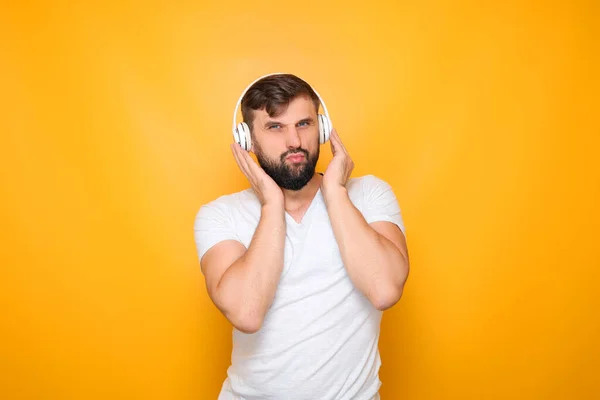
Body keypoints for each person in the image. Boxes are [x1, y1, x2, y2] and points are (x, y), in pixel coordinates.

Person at [193, 73, 410, 400]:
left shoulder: (368, 195)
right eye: (275, 127)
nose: (294, 141)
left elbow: (384, 290)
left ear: (323, 130)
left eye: (304, 124)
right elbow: (247, 313)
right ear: (247, 139)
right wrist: (272, 203)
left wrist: (335, 191)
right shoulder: (220, 215)